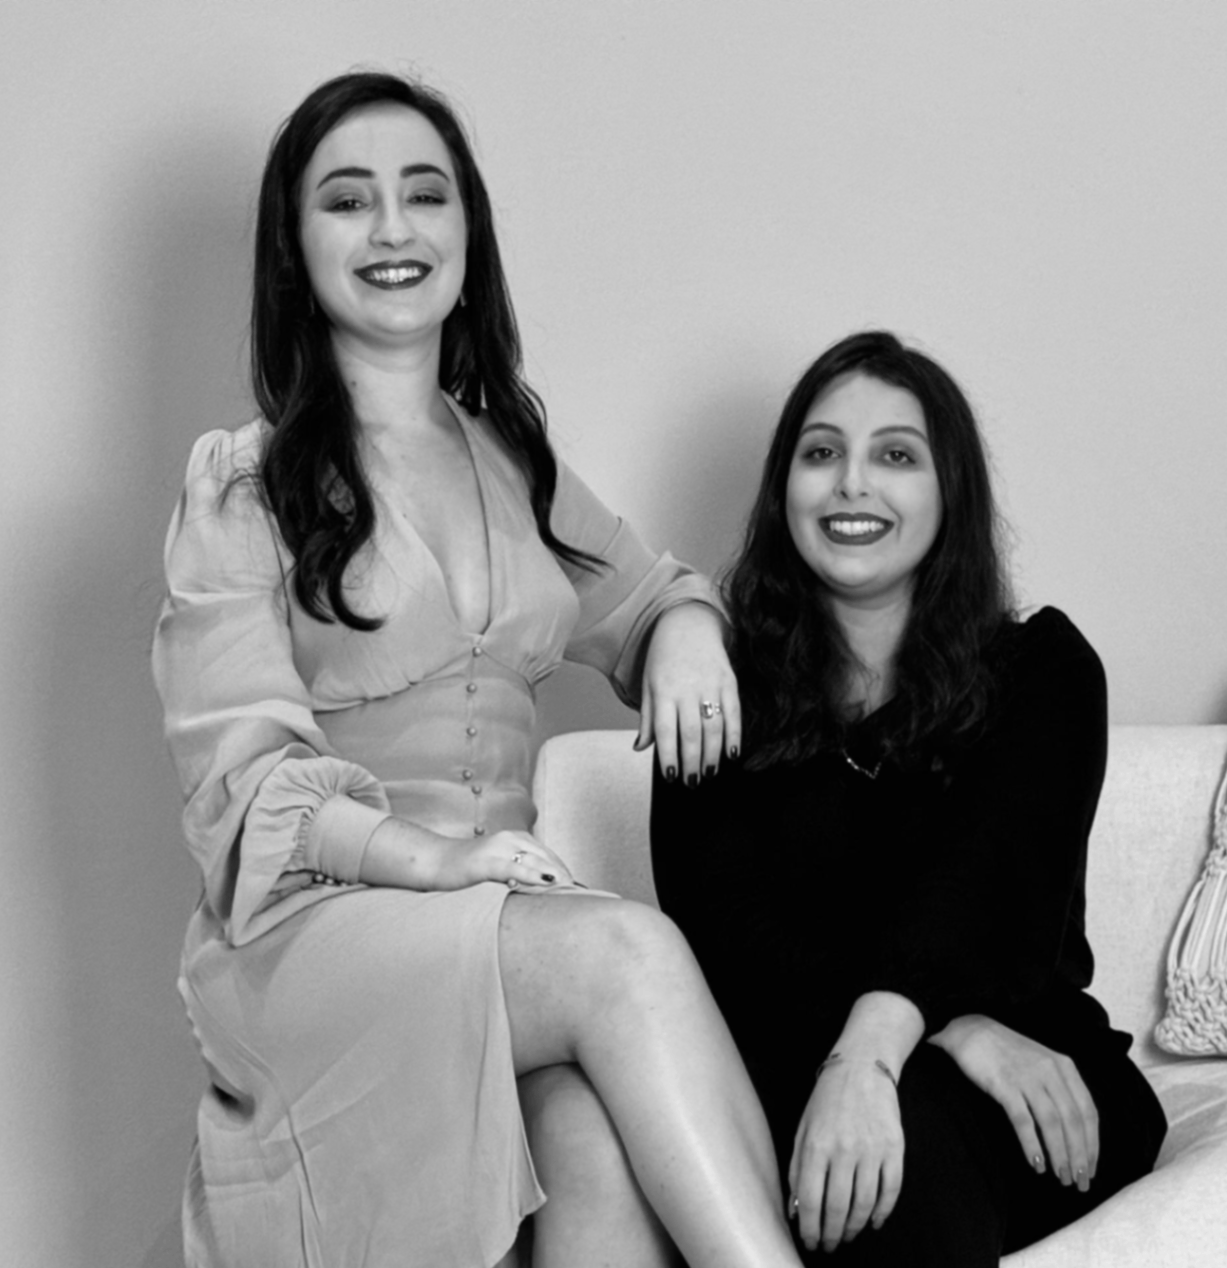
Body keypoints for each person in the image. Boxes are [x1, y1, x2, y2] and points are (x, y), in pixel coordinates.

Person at [152, 72, 804, 1268]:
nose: (392, 228)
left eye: (424, 194)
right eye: (347, 200)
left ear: (468, 234)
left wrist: (685, 627)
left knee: (589, 1141)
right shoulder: (243, 487)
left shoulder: (514, 459)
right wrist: (440, 860)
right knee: (625, 950)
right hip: (319, 934)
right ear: (295, 250)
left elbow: (650, 593)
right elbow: (243, 789)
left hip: (496, 926)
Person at [651, 331, 1167, 1265]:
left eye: (896, 455)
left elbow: (989, 898)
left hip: (1032, 1068)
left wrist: (887, 1044)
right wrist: (940, 1029)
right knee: (853, 1136)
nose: (852, 483)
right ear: (783, 489)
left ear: (949, 491)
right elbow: (727, 940)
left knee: (898, 1146)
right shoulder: (714, 689)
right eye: (821, 453)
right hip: (803, 1058)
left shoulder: (1042, 671)